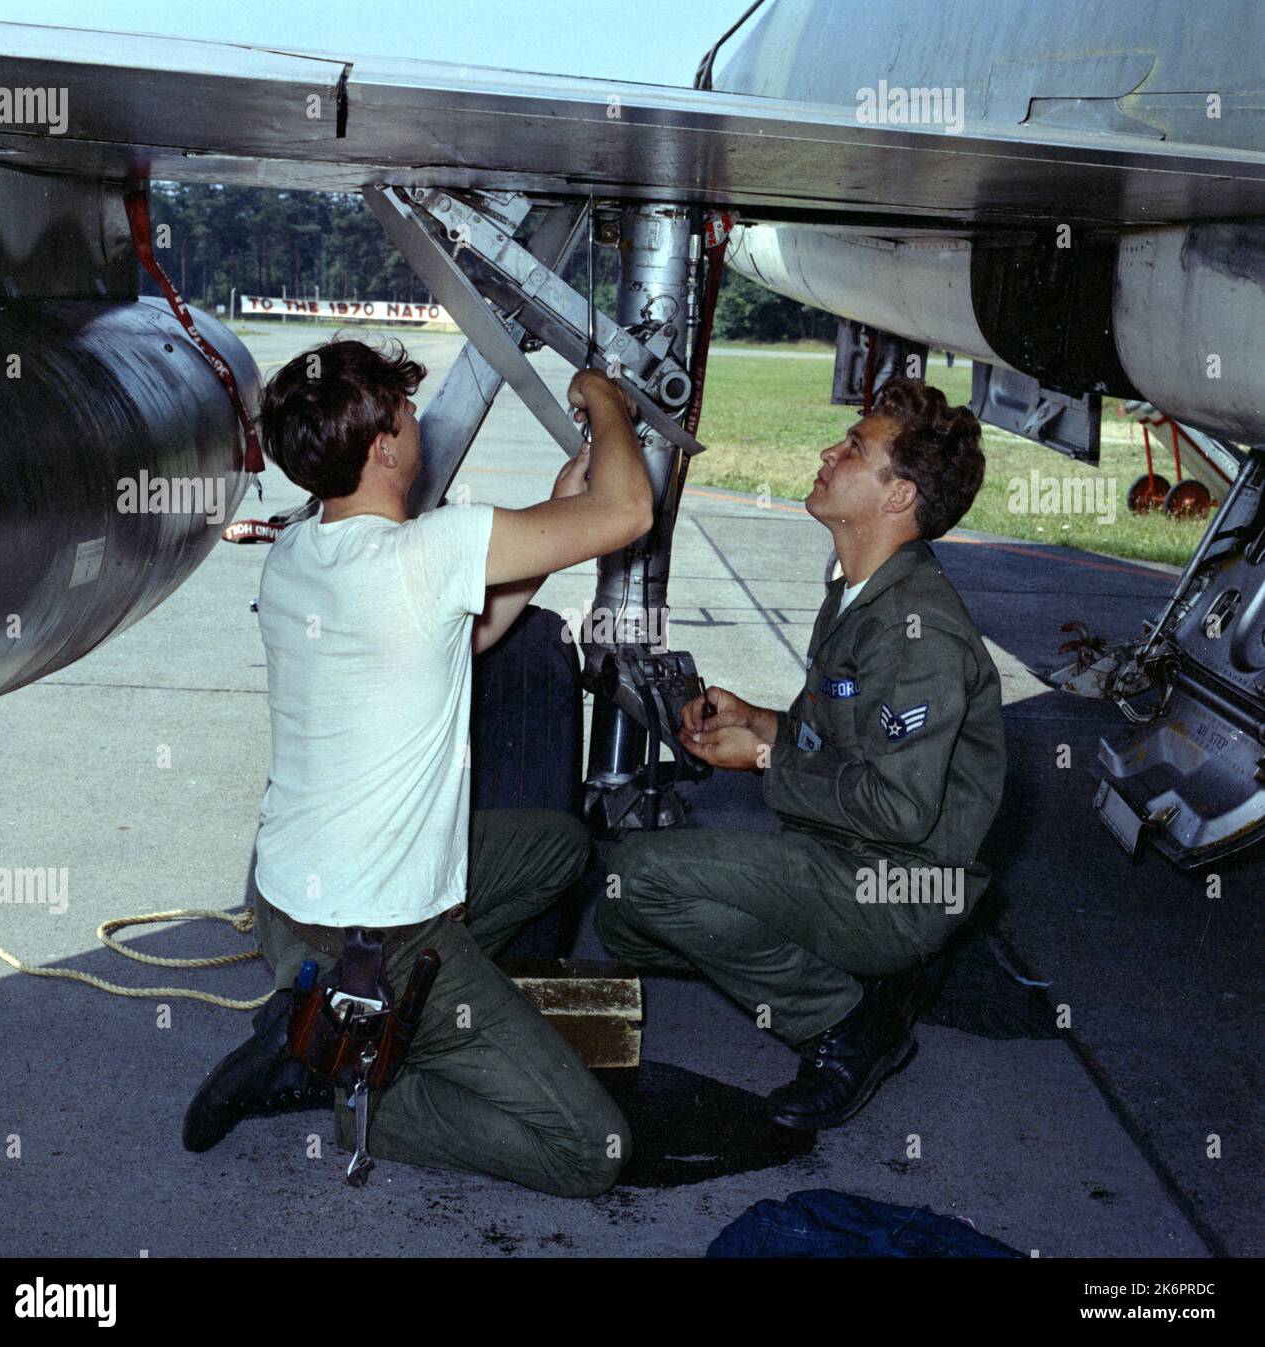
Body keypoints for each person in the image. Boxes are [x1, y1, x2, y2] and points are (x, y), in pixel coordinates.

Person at [182, 338, 652, 1197]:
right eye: (405, 415)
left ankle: (323, 1016)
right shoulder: (433, 552)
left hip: (289, 910)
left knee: (556, 847)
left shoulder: (295, 553)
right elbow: (627, 513)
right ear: (389, 446)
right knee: (594, 1149)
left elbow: (460, 638)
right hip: (385, 944)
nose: (415, 428)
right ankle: (360, 1085)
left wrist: (553, 512)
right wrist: (603, 399)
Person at [597, 377, 1005, 1130]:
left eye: (856, 447)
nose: (829, 450)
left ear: (899, 497)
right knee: (624, 923)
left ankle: (845, 1024)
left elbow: (900, 807)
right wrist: (765, 723)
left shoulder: (921, 632)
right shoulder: (862, 591)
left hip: (901, 884)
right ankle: (866, 977)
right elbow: (855, 742)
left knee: (641, 879)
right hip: (845, 855)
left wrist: (760, 760)